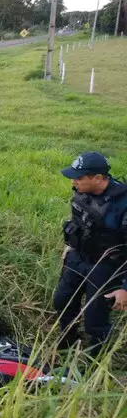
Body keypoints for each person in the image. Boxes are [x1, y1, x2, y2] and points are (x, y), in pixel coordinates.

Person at [54, 152, 127, 356]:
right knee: (62, 302)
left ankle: (97, 362)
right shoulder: (82, 191)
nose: (73, 181)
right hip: (77, 258)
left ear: (97, 178)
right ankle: (67, 344)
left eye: (79, 177)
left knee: (95, 320)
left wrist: (125, 289)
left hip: (105, 266)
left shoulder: (122, 204)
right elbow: (80, 221)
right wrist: (70, 245)